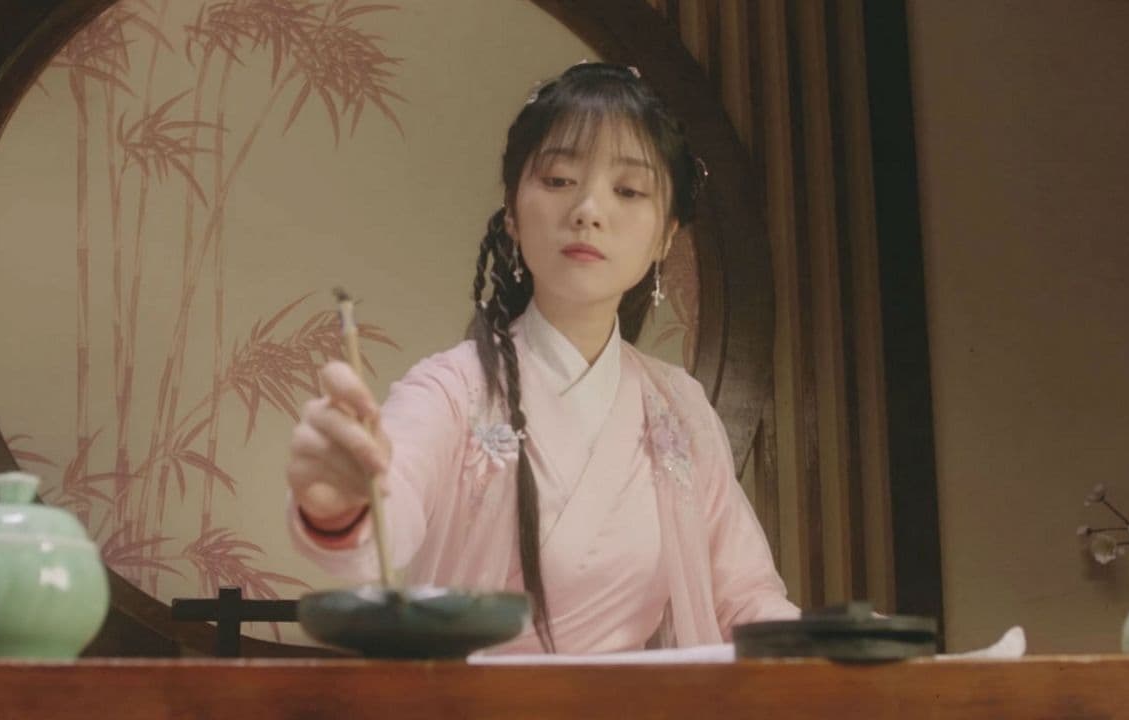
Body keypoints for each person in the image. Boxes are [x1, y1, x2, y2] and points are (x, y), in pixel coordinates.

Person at [285, 62, 797, 654]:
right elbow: (386, 514)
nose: (588, 210)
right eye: (558, 180)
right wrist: (342, 503)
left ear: (665, 236)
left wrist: (835, 648)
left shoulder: (680, 407)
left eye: (629, 191)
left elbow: (745, 597)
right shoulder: (451, 390)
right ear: (512, 210)